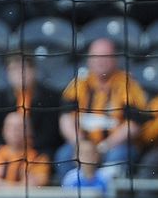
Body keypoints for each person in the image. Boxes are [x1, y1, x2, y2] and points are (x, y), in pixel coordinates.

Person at [55, 37, 147, 179]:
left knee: (119, 156)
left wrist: (105, 146)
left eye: (106, 56)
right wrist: (80, 144)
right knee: (63, 156)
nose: (100, 61)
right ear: (89, 59)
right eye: (96, 56)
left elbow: (135, 124)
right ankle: (72, 196)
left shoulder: (128, 85)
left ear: (115, 59)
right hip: (83, 144)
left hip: (115, 145)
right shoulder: (79, 83)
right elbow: (65, 117)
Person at [0, 110, 51, 187]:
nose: (15, 131)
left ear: (30, 131)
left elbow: (35, 185)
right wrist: (18, 186)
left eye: (20, 127)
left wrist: (1, 185)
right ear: (3, 130)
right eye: (10, 126)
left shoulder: (39, 158)